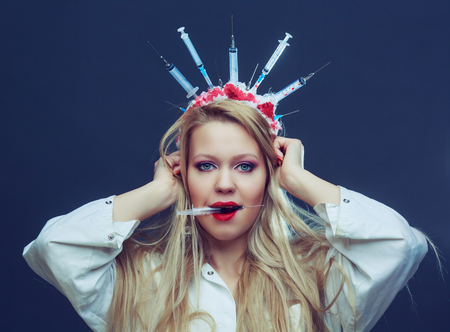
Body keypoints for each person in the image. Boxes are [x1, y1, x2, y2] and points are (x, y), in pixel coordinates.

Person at [23, 99, 428, 332]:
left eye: (246, 166)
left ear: (270, 173)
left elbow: (401, 245)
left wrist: (299, 180)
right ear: (182, 174)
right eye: (204, 166)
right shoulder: (141, 279)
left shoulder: (317, 278)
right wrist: (156, 192)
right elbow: (53, 249)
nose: (224, 184)